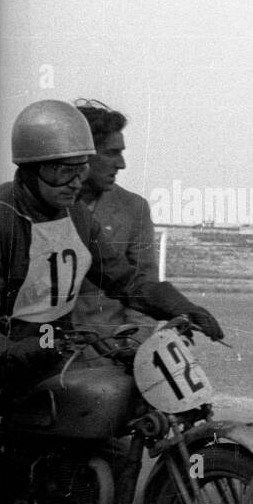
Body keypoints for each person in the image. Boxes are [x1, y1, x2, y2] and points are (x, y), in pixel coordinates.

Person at [0, 99, 223, 400]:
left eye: (81, 170)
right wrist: (20, 351)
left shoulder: (75, 216)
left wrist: (181, 306)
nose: (75, 183)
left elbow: (124, 279)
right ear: (30, 169)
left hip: (54, 366)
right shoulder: (3, 218)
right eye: (63, 171)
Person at [69, 101, 159, 340]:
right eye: (111, 152)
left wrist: (132, 349)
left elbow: (143, 292)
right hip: (38, 362)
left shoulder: (134, 209)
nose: (121, 164)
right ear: (82, 153)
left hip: (107, 361)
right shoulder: (35, 206)